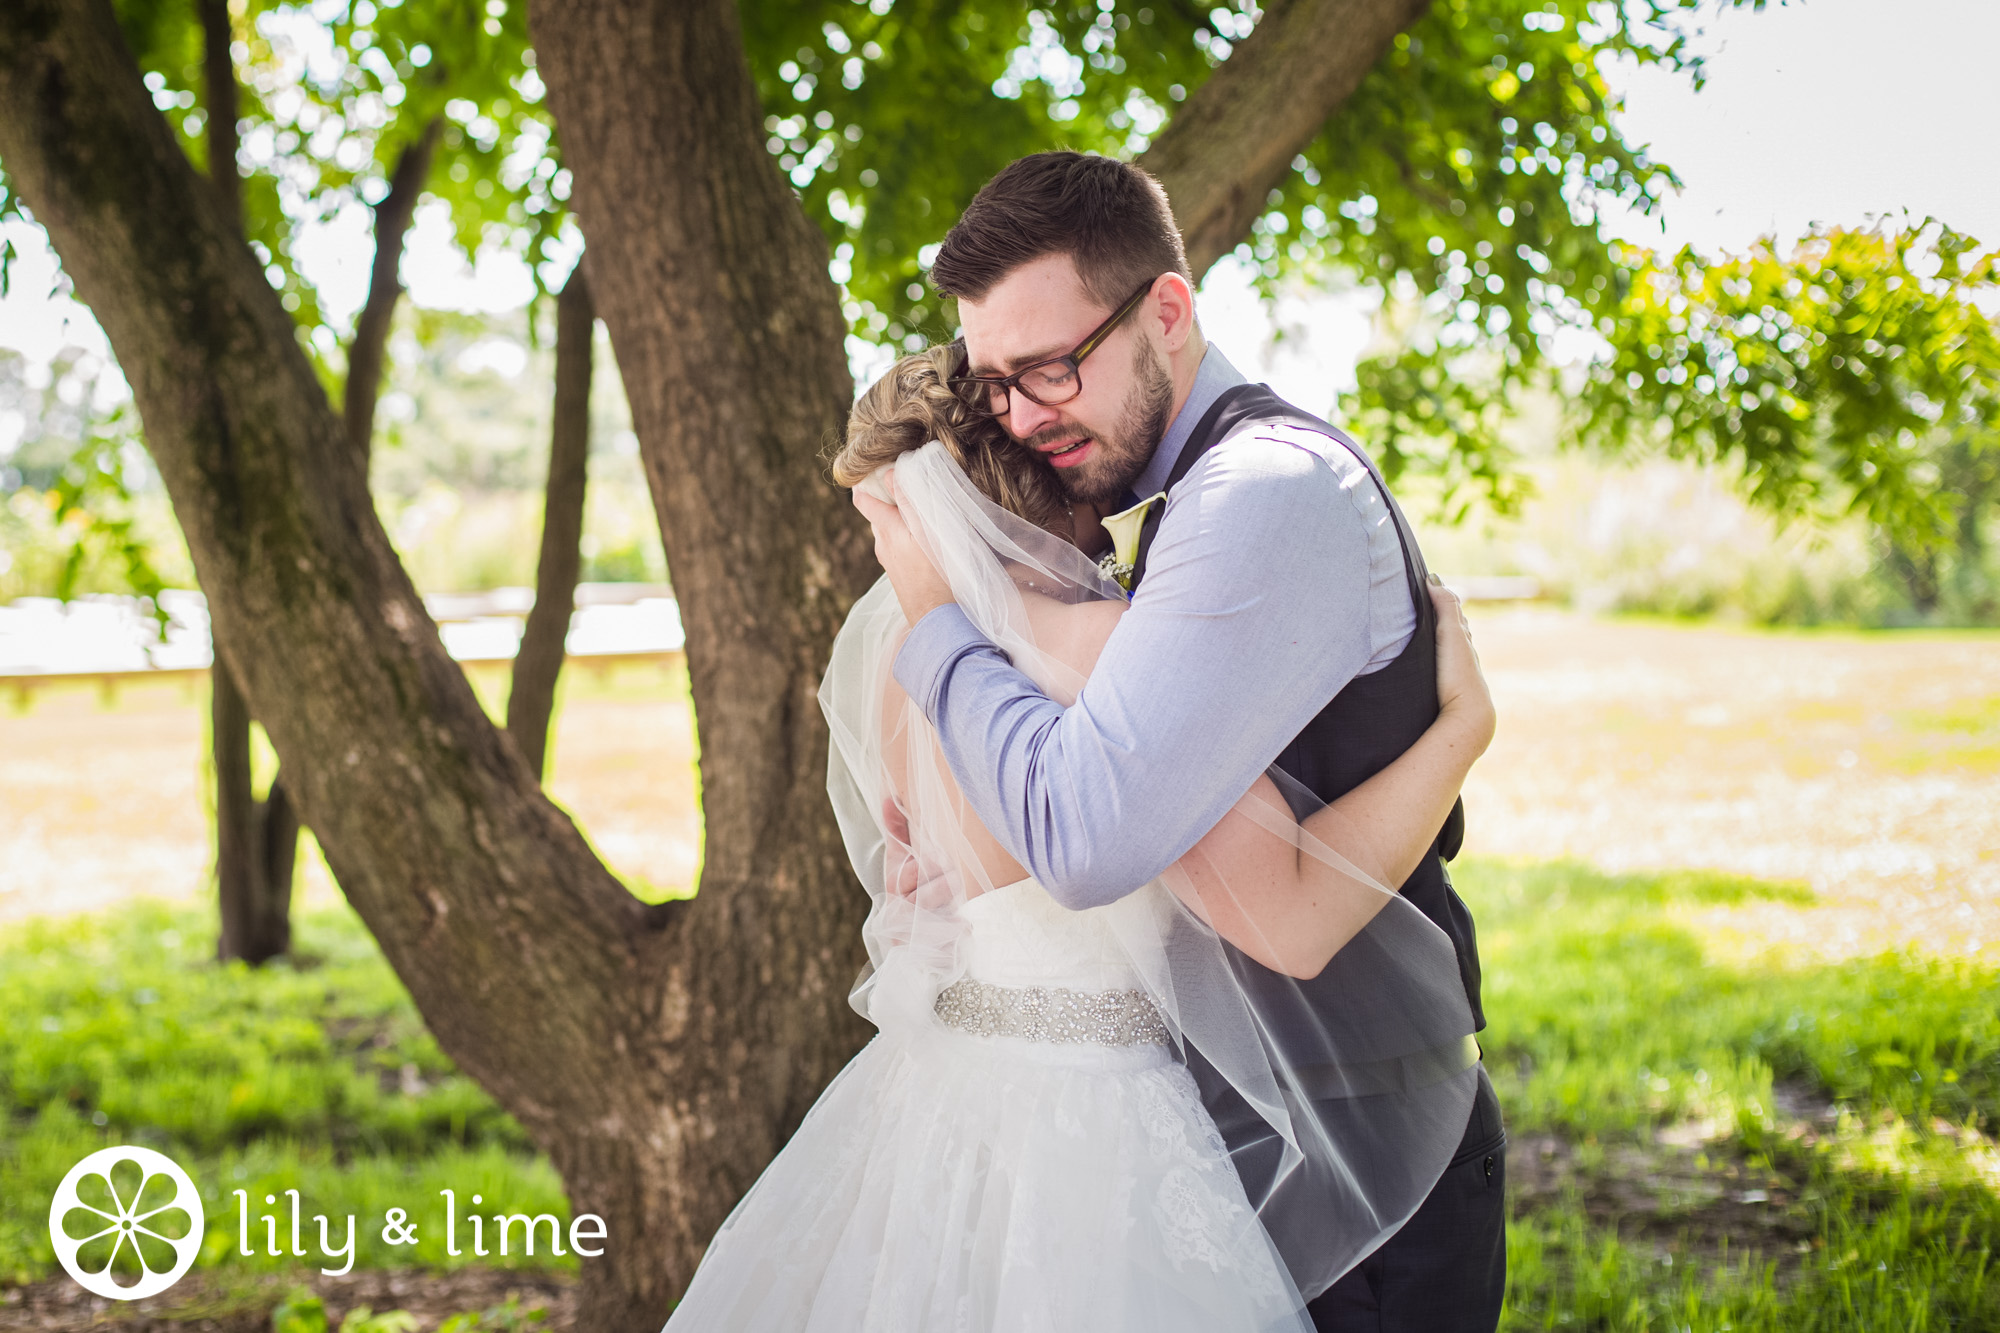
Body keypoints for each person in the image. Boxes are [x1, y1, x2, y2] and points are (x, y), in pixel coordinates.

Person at [658, 339, 1496, 1331]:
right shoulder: (1110, 654)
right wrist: (1460, 732)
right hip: (1102, 1120)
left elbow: (929, 871)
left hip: (939, 1098)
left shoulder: (895, 652)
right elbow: (1289, 912)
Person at [850, 151, 1507, 1331]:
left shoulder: (1252, 495)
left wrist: (939, 625)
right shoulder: (1106, 576)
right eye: (996, 386)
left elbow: (1095, 842)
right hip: (1199, 1128)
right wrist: (1462, 731)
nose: (1022, 415)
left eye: (1050, 368)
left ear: (1166, 309)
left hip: (1349, 1135)